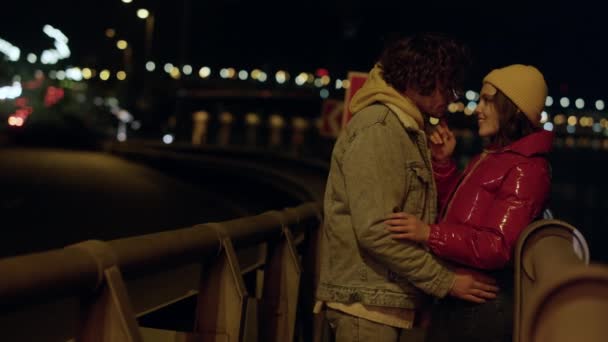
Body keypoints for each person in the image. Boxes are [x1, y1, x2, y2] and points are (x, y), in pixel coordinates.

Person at [315, 32, 499, 342]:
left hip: (384, 301)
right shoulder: (381, 128)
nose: (453, 97)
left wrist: (440, 162)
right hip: (367, 306)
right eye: (448, 86)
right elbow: (376, 230)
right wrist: (447, 282)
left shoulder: (407, 128)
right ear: (420, 79)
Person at [385, 64, 553, 342]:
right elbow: (465, 215)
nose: (478, 109)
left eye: (488, 100)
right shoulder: (495, 156)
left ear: (512, 107)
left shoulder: (527, 169)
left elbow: (496, 246)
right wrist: (444, 164)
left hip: (481, 310)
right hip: (461, 301)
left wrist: (429, 233)